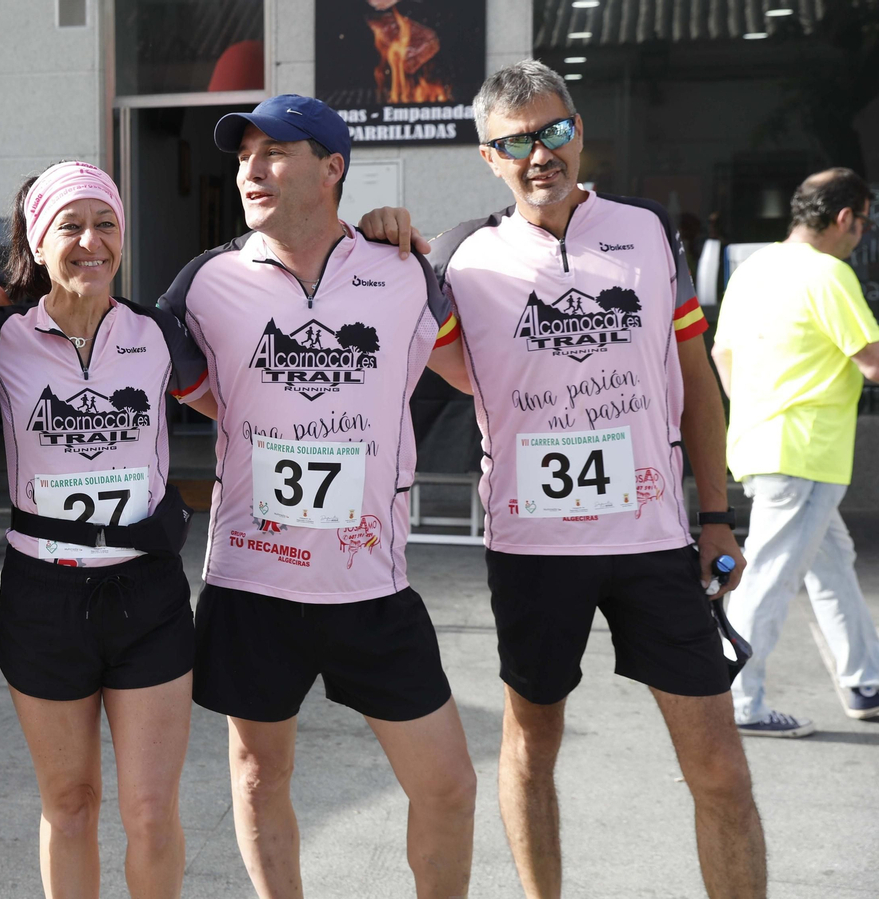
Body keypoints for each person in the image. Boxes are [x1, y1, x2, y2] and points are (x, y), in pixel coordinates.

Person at [360, 60, 767, 898]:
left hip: (653, 540)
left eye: (553, 132)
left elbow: (695, 383)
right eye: (516, 142)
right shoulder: (460, 257)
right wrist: (382, 241)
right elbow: (427, 355)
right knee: (532, 744)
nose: (539, 154)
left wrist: (717, 513)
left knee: (720, 767)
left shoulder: (648, 232)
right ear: (488, 156)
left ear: (578, 130)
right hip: (532, 547)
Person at [158, 94, 477, 899]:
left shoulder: (406, 273)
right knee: (260, 773)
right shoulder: (205, 282)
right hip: (252, 581)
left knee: (448, 784)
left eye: (275, 152)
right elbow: (171, 378)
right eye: (243, 157)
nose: (251, 170)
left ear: (332, 167)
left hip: (370, 585)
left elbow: (480, 371)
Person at [0, 160, 214, 898]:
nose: (91, 241)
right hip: (44, 599)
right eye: (70, 225)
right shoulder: (1, 338)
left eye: (106, 225)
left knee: (151, 811)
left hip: (147, 595)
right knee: (70, 805)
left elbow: (245, 400)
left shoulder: (159, 332)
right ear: (37, 238)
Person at [712, 168, 879, 734]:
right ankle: (741, 702)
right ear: (844, 218)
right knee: (771, 576)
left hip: (766, 442)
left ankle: (866, 681)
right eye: (863, 220)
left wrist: (761, 407)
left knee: (832, 566)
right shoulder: (830, 274)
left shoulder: (754, 269)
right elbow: (872, 360)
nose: (862, 231)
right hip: (808, 451)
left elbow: (724, 355)